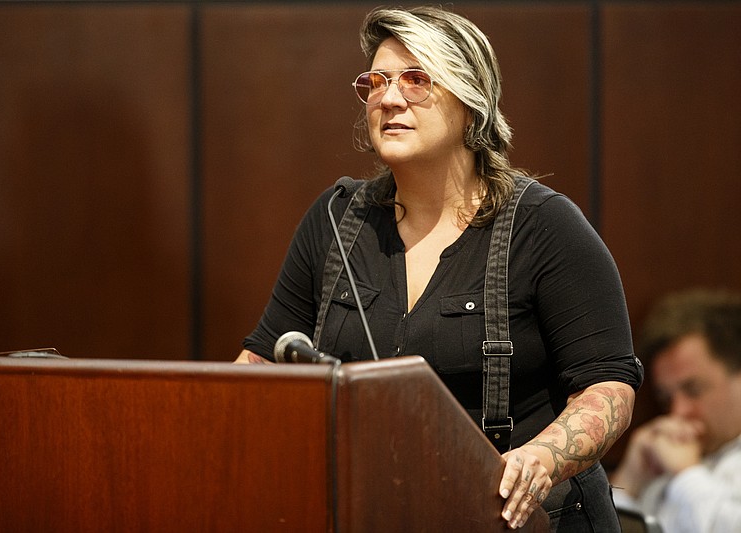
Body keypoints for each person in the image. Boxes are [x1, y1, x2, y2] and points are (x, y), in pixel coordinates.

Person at [236, 5, 642, 531]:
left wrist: (539, 459)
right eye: (376, 82)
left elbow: (608, 385)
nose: (388, 97)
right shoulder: (338, 219)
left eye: (416, 80)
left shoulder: (544, 226)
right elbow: (260, 367)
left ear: (471, 102)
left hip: (527, 520)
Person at [611, 289, 741, 532]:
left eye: (693, 389)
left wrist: (687, 475)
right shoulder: (664, 461)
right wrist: (628, 482)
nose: (677, 412)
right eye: (666, 397)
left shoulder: (682, 468)